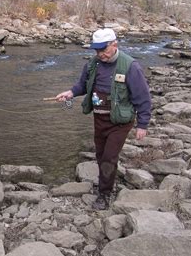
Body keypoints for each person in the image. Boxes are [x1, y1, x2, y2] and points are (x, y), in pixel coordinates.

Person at [55, 27, 151, 210]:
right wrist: (69, 93)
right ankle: (107, 180)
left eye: (103, 50)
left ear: (114, 44)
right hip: (99, 119)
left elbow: (143, 97)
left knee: (108, 157)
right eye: (97, 50)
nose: (100, 54)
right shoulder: (93, 64)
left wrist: (143, 124)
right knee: (100, 155)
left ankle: (104, 195)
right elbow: (82, 85)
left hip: (120, 122)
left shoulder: (130, 66)